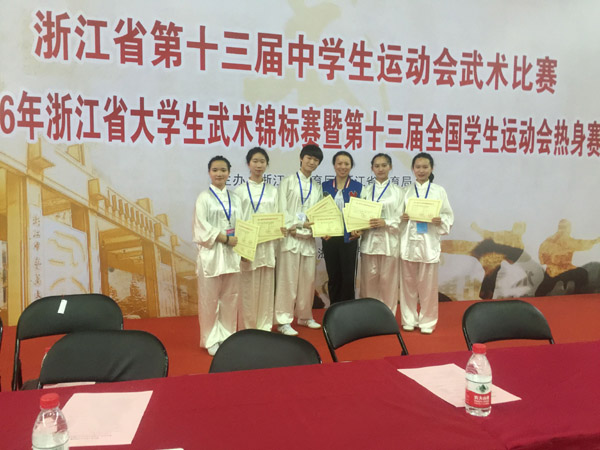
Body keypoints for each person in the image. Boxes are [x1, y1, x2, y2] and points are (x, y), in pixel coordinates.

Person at [399, 153, 454, 334]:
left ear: (431, 168)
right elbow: (397, 217)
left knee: (428, 286)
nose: (421, 170)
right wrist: (402, 218)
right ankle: (408, 319)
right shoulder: (405, 191)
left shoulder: (439, 191)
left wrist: (440, 220)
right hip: (409, 242)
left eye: (425, 167)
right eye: (418, 167)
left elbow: (448, 215)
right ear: (412, 169)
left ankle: (427, 321)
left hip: (429, 242)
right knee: (407, 284)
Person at [193, 156, 242, 356]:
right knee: (209, 299)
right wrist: (225, 238)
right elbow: (201, 227)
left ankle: (228, 336)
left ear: (229, 173)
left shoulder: (235, 198)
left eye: (223, 170)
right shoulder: (203, 198)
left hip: (232, 254)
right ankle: (211, 338)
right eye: (215, 170)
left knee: (230, 297)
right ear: (209, 172)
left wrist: (244, 248)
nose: (219, 174)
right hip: (211, 255)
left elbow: (243, 226)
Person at [274, 144, 324, 336]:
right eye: (309, 158)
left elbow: (319, 214)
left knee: (307, 280)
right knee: (287, 281)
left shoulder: (316, 187)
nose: (311, 162)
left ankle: (304, 315)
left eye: (316, 160)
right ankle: (283, 320)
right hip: (291, 238)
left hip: (308, 239)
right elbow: (281, 209)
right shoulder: (287, 182)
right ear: (301, 158)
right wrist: (297, 224)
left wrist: (320, 227)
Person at [235, 147, 280, 331]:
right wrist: (240, 248)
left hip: (268, 244)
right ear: (248, 164)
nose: (259, 165)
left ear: (267, 164)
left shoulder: (273, 191)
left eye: (262, 161)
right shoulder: (239, 191)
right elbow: (236, 220)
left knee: (266, 287)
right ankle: (248, 328)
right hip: (248, 244)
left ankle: (265, 327)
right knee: (247, 288)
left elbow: (278, 215)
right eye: (255, 161)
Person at [352, 153, 402, 314]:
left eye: (384, 165)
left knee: (389, 282)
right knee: (368, 282)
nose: (380, 169)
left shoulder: (398, 192)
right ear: (372, 168)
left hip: (389, 242)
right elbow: (359, 216)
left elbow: (402, 218)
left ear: (390, 167)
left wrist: (386, 222)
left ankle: (388, 315)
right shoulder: (366, 191)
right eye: (377, 166)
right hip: (369, 242)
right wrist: (358, 227)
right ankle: (368, 315)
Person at [321, 151, 363, 304]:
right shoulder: (324, 187)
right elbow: (319, 212)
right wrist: (321, 230)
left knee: (348, 277)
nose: (343, 167)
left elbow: (362, 212)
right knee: (333, 276)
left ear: (351, 166)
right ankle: (334, 309)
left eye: (346, 164)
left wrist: (360, 230)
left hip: (349, 238)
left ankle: (348, 311)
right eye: (339, 163)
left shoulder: (358, 187)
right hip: (329, 238)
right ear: (334, 165)